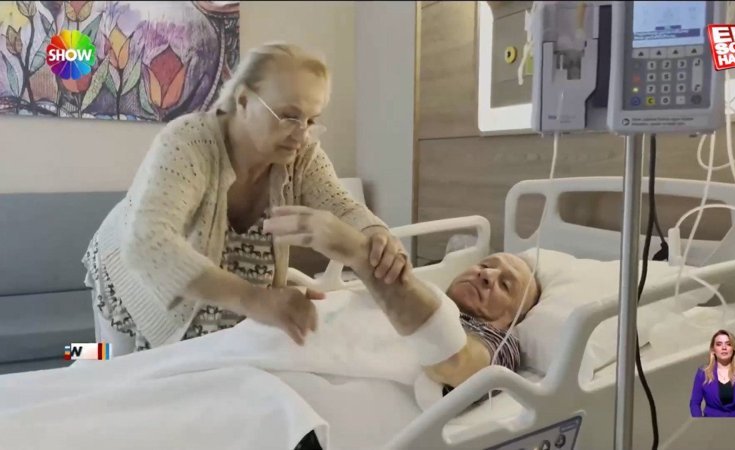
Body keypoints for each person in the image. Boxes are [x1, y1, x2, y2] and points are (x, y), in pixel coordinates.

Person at [82, 42, 410, 355]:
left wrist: (376, 234)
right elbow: (148, 244)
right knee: (111, 369)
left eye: (311, 120)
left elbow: (342, 206)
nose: (302, 134)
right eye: (289, 115)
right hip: (130, 274)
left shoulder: (302, 155)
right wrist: (255, 299)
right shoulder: (188, 143)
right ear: (243, 101)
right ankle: (76, 360)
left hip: (214, 301)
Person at [263, 205, 542, 388]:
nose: (487, 275)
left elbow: (455, 364)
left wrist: (360, 255)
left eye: (505, 285)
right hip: (282, 355)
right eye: (485, 264)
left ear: (510, 319)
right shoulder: (425, 294)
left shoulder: (501, 343)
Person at [689, 329, 735, 417]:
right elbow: (694, 403)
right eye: (719, 344)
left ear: (733, 348)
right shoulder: (703, 373)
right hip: (711, 423)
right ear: (713, 350)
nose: (724, 347)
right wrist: (700, 424)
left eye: (728, 344)